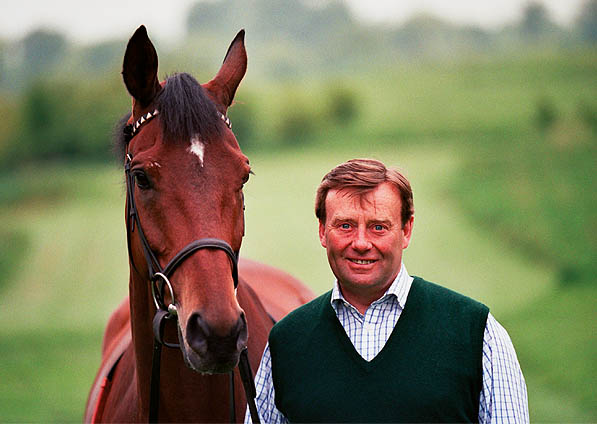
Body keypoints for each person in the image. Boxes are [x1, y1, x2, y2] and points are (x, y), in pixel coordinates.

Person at [245, 158, 528, 423]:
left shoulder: (477, 334)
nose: (361, 243)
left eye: (378, 227)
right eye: (345, 225)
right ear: (322, 231)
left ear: (406, 230)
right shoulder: (286, 343)